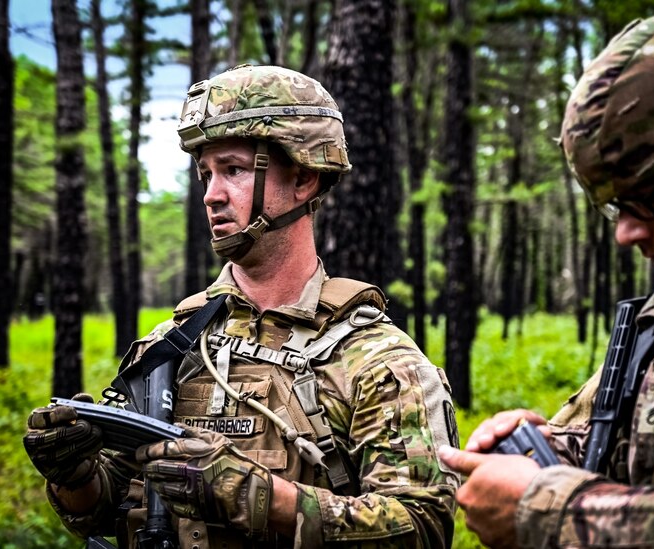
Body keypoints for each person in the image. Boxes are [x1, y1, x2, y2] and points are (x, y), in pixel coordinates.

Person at [23, 64, 458, 548]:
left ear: (304, 178)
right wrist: (76, 476)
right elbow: (110, 509)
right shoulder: (172, 346)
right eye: (205, 173)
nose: (211, 195)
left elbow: (422, 528)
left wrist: (258, 496)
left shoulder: (377, 361)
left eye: (232, 170)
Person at [437, 10, 654, 548]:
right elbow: (628, 450)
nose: (626, 233)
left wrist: (552, 509)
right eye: (613, 207)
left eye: (645, 197)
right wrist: (543, 452)